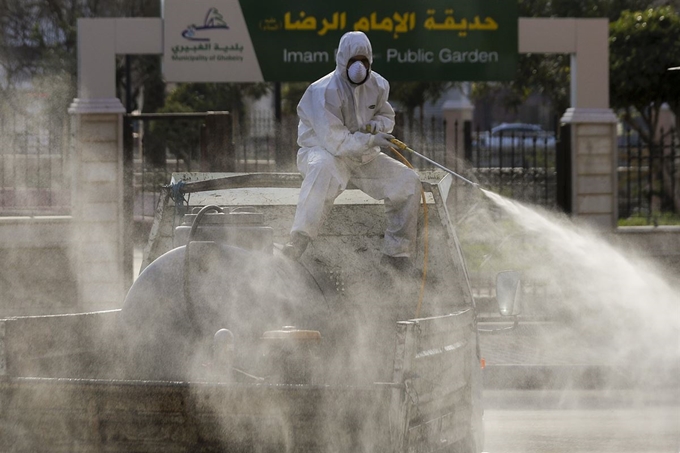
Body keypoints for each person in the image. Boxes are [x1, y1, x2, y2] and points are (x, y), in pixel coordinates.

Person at [282, 31, 421, 273]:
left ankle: (396, 256)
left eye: (364, 61)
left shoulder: (378, 85)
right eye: (353, 60)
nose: (359, 67)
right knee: (322, 169)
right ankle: (298, 239)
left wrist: (378, 126)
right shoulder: (322, 91)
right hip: (324, 152)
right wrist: (369, 140)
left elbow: (386, 115)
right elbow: (335, 141)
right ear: (342, 59)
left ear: (370, 60)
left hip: (363, 158)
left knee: (408, 181)